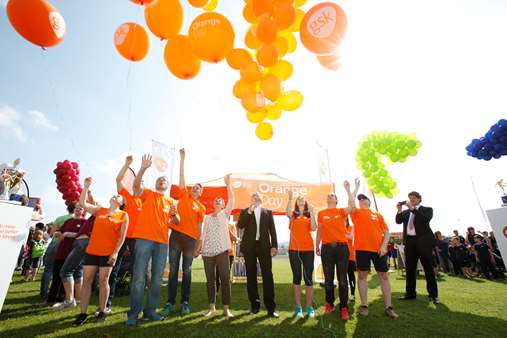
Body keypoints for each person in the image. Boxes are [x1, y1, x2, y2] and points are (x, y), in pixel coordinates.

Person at [127, 154, 179, 326]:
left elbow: (175, 222)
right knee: (139, 277)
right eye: (160, 179)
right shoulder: (148, 194)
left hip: (162, 243)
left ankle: (150, 312)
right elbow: (135, 187)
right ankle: (133, 314)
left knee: (157, 279)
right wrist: (143, 168)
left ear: (167, 185)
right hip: (144, 240)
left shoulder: (171, 201)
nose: (162, 180)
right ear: (156, 183)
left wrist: (175, 216)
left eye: (165, 180)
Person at [73, 177, 129, 326]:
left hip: (108, 253)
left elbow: (122, 237)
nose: (115, 196)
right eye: (114, 194)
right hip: (92, 251)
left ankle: (103, 310)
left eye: (118, 196)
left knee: (104, 281)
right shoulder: (100, 210)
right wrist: (85, 188)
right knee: (87, 281)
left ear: (122, 203)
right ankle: (82, 313)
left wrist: (115, 252)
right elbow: (82, 204)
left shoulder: (123, 215)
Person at [160, 149, 206, 317]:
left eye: (198, 189)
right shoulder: (184, 195)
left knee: (186, 271)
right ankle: (170, 302)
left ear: (201, 193)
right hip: (176, 237)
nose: (195, 189)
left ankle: (185, 302)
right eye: (194, 187)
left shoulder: (201, 208)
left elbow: (200, 229)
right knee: (173, 270)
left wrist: (198, 246)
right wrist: (182, 158)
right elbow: (182, 178)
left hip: (191, 241)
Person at [350, 191, 398, 319]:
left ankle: (389, 307)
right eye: (359, 199)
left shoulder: (378, 215)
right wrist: (351, 189)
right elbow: (350, 203)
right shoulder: (356, 213)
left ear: (369, 202)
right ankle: (364, 305)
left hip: (378, 250)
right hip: (361, 249)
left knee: (384, 276)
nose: (361, 200)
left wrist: (383, 246)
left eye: (363, 198)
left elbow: (387, 232)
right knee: (362, 276)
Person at [316, 180, 359, 321]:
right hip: (327, 248)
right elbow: (320, 231)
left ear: (336, 200)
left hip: (341, 248)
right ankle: (329, 303)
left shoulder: (341, 211)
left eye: (333, 195)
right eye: (329, 195)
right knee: (328, 279)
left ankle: (344, 307)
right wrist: (317, 246)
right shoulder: (321, 213)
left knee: (342, 279)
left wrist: (348, 189)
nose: (330, 196)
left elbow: (352, 206)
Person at [195, 174, 234, 318]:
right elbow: (203, 235)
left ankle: (226, 309)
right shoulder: (206, 217)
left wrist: (228, 184)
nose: (217, 201)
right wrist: (199, 248)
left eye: (220, 200)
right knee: (210, 280)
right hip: (207, 253)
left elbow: (232, 200)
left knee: (224, 279)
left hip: (222, 252)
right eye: (216, 200)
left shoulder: (225, 214)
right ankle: (211, 308)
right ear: (213, 204)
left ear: (223, 205)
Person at [107, 155, 142, 312]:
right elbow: (117, 180)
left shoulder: (147, 200)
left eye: (140, 183)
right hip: (123, 236)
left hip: (138, 239)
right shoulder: (127, 196)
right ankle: (107, 303)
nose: (138, 185)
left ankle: (134, 306)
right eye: (136, 182)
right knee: (114, 267)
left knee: (136, 271)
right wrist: (126, 164)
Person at [237, 192, 278, 318]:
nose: (255, 198)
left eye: (257, 197)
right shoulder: (245, 211)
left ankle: (271, 308)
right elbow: (240, 225)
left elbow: (272, 230)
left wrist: (274, 245)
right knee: (251, 275)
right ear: (250, 200)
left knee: (267, 275)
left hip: (264, 247)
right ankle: (255, 306)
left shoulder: (268, 212)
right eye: (253, 197)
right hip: (249, 248)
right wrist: (249, 211)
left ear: (261, 199)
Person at [54, 191, 97, 311]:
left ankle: (69, 301)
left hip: (82, 244)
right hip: (80, 244)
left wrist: (88, 190)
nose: (81, 208)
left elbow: (91, 204)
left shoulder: (97, 215)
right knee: (77, 272)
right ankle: (77, 299)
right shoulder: (89, 220)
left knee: (65, 271)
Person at [396, 191, 439, 304]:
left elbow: (425, 219)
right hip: (410, 242)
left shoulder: (427, 209)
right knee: (410, 269)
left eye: (414, 198)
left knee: (428, 268)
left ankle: (433, 295)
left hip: (423, 242)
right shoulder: (406, 212)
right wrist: (399, 210)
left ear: (419, 199)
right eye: (410, 198)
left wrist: (413, 209)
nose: (412, 200)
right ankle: (410, 293)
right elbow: (398, 221)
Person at [286, 190, 317, 319]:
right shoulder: (293, 215)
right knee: (297, 277)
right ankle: (298, 307)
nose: (301, 200)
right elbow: (287, 212)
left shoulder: (309, 215)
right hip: (294, 250)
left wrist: (312, 213)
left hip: (308, 250)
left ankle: (309, 307)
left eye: (303, 198)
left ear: (306, 202)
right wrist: (290, 198)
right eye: (299, 199)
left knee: (308, 278)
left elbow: (314, 228)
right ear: (296, 202)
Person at [47, 204, 86, 306]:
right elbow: (59, 232)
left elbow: (84, 236)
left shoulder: (85, 222)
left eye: (80, 209)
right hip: (61, 251)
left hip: (74, 252)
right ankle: (51, 299)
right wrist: (57, 234)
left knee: (72, 275)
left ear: (83, 211)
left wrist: (70, 234)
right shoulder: (68, 221)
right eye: (76, 208)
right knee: (56, 276)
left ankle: (67, 298)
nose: (78, 210)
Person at [216, 222, 237, 293]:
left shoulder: (232, 226)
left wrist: (228, 230)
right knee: (217, 273)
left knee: (226, 275)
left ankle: (225, 292)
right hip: (218, 253)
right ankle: (216, 291)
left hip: (229, 254)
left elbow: (235, 239)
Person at [346, 223, 356, 303]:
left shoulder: (351, 227)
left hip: (350, 256)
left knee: (351, 275)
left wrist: (339, 233)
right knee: (342, 277)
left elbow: (351, 237)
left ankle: (352, 294)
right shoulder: (339, 227)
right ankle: (344, 295)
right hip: (340, 256)